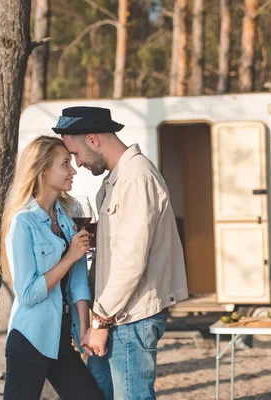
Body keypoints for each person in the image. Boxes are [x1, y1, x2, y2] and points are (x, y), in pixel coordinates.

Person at [52, 107, 189, 400]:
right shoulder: (118, 178)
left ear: (93, 139)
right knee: (94, 393)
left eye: (76, 154)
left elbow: (131, 261)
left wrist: (100, 321)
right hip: (117, 313)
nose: (78, 163)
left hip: (131, 316)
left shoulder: (135, 178)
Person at [0, 135, 105, 400]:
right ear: (43, 170)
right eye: (65, 164)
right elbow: (28, 294)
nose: (73, 170)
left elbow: (79, 279)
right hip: (30, 338)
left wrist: (83, 326)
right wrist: (69, 257)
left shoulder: (67, 219)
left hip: (62, 338)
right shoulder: (23, 223)